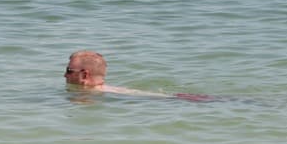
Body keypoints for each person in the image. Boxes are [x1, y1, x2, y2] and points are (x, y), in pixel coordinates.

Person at [64, 50, 214, 100]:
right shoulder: (113, 91)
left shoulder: (86, 97)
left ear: (84, 75)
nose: (64, 75)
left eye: (69, 71)